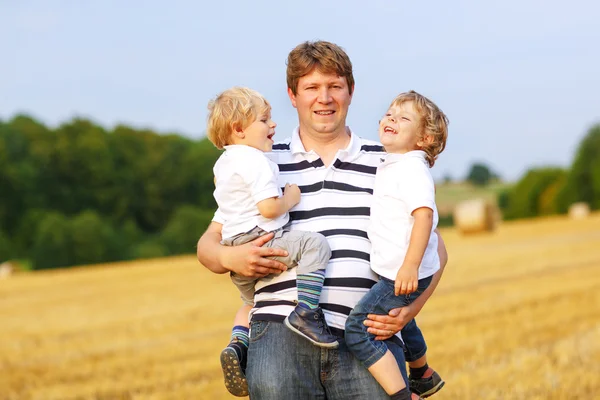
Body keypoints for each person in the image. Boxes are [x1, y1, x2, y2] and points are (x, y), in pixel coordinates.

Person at [197, 40, 449, 400]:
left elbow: (435, 248)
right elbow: (209, 243)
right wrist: (228, 258)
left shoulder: (391, 159)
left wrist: (410, 310)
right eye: (312, 88)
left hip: (365, 336)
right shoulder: (263, 158)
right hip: (279, 332)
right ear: (293, 95)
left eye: (334, 86)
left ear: (351, 91)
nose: (324, 98)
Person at [205, 87, 339, 396]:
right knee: (315, 246)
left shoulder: (224, 164)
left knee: (250, 303)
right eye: (264, 120)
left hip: (235, 246)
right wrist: (290, 198)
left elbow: (227, 213)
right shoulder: (257, 161)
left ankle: (238, 343)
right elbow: (268, 208)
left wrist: (230, 257)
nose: (273, 125)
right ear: (239, 129)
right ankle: (305, 311)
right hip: (264, 241)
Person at [344, 91, 449, 399]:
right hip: (399, 270)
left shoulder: (412, 169)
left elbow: (424, 217)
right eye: (389, 113)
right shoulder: (394, 163)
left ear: (425, 138)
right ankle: (422, 372)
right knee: (396, 318)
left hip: (404, 272)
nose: (391, 119)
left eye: (403, 118)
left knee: (359, 329)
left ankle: (401, 394)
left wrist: (410, 265)